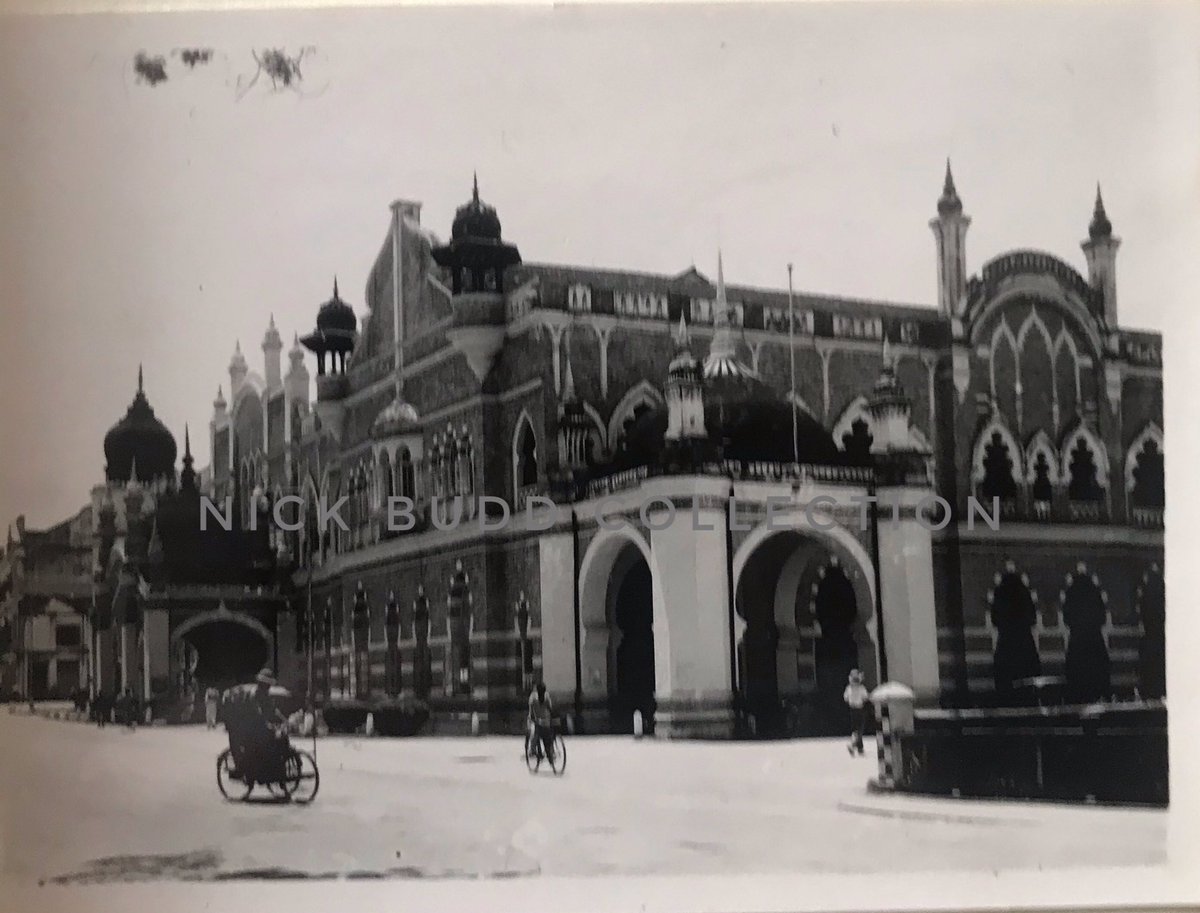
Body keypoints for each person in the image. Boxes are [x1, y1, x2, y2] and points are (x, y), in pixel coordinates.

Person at [843, 669, 870, 756]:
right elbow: (866, 697)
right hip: (860, 709)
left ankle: (860, 748)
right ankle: (853, 745)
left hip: (852, 709)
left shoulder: (848, 688)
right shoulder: (861, 688)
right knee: (860, 729)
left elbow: (845, 698)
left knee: (855, 729)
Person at [527, 681, 555, 763]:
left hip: (542, 720)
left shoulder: (542, 697)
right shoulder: (537, 697)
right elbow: (531, 710)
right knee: (538, 735)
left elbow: (549, 708)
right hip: (538, 720)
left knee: (543, 736)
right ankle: (535, 750)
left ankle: (548, 751)